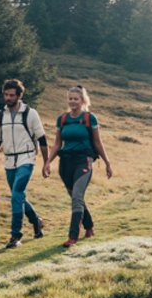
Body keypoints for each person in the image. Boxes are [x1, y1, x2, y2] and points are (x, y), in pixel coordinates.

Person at [0, 78, 48, 248]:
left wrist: (46, 162)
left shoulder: (30, 113)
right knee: (18, 197)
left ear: (19, 95)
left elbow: (42, 138)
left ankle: (15, 235)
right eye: (6, 95)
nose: (8, 98)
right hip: (9, 160)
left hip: (27, 158)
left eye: (12, 95)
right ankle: (37, 222)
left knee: (17, 193)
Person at [47, 84, 111, 247]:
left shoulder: (90, 118)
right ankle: (89, 227)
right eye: (70, 99)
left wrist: (107, 163)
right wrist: (47, 162)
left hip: (84, 160)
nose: (73, 101)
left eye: (76, 99)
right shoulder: (62, 119)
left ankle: (73, 237)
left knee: (76, 197)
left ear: (82, 100)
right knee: (77, 197)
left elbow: (97, 142)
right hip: (66, 163)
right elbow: (57, 144)